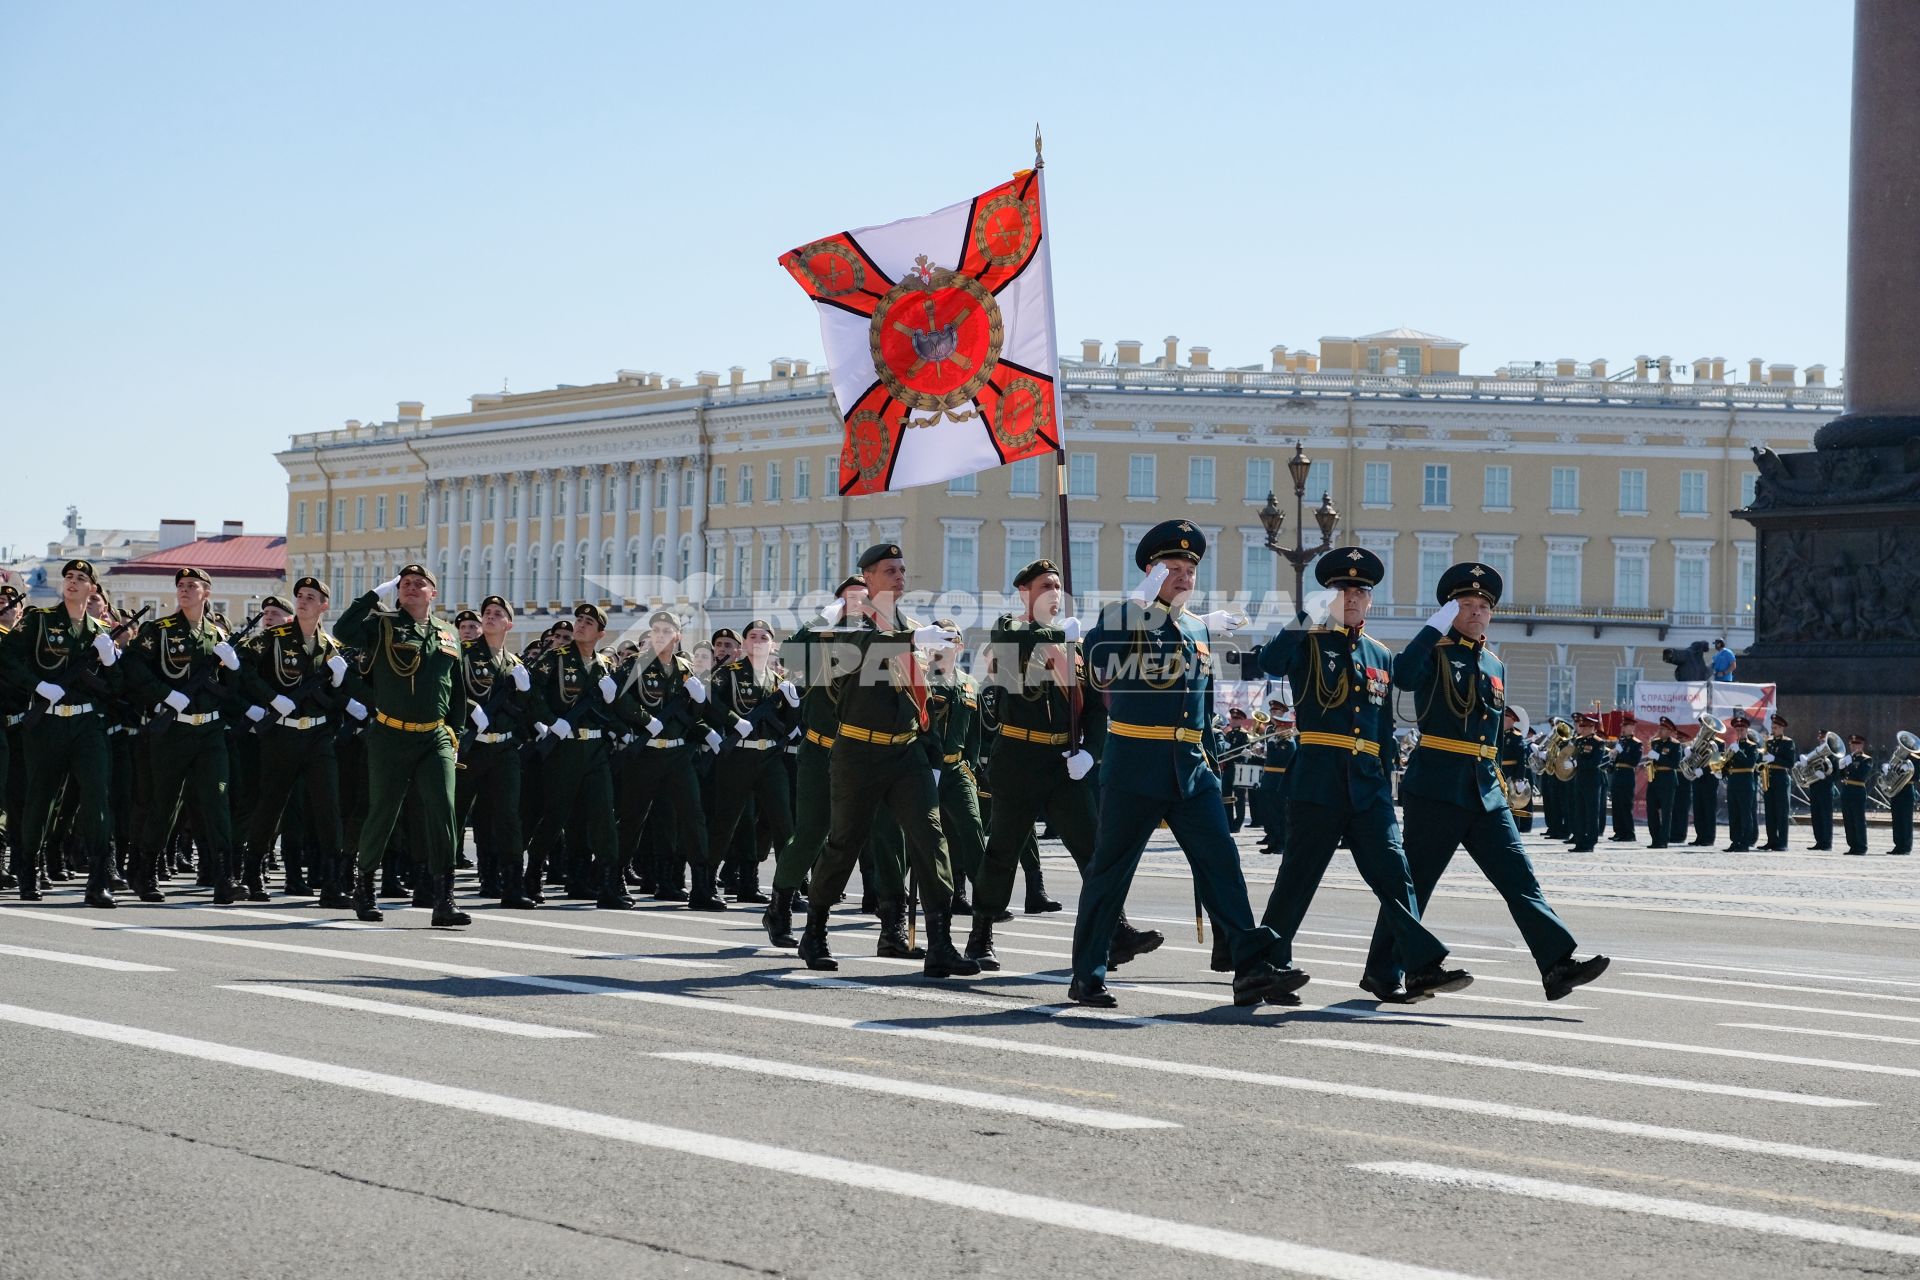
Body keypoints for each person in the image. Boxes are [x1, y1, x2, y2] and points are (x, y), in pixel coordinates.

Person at [1068, 521, 1302, 1009]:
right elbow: (1095, 662)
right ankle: (1088, 973)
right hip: (1135, 766)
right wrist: (1134, 607)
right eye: (1173, 568)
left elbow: (1197, 706)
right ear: (1151, 572)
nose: (1184, 575)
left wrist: (1210, 763)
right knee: (1110, 873)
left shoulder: (1195, 627)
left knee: (1223, 865)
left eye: (1190, 567)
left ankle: (1251, 969)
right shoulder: (1125, 618)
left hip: (1191, 768)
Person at [1363, 562, 1607, 1002]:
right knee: (1414, 883)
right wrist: (1428, 630)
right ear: (1449, 612)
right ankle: (1384, 972)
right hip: (1438, 785)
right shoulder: (1433, 650)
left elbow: (1490, 734)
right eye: (1466, 605)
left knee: (1520, 878)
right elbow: (1402, 677)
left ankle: (1556, 965)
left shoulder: (1493, 661)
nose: (1476, 613)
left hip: (1485, 789)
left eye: (1482, 606)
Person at [1252, 544, 1470, 1004]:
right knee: (1298, 879)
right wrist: (1301, 617)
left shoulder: (1380, 655)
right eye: (1341, 591)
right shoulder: (1307, 639)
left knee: (1396, 875)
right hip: (1317, 779)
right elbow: (1269, 664)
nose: (1351, 599)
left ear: (1370, 601)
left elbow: (1383, 728)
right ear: (1328, 597)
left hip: (1369, 785)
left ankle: (1412, 968)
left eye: (1360, 593)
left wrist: (1389, 783)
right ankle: (1264, 967)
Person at [794, 543, 977, 979]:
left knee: (931, 842)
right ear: (868, 579)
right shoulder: (850, 626)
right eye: (889, 570)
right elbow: (858, 649)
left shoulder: (915, 628)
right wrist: (913, 639)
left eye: (902, 569)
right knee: (845, 842)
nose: (899, 576)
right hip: (858, 750)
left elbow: (927, 698)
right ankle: (815, 931)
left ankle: (941, 945)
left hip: (906, 751)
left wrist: (931, 752)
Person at [971, 559, 1158, 972]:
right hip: (1019, 759)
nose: (1054, 592)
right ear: (1024, 591)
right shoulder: (1011, 630)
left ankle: (1116, 931)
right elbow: (1012, 642)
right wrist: (1060, 636)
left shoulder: (1076, 647)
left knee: (1094, 850)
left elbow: (1095, 706)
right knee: (1003, 850)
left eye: (1057, 585)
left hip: (1065, 765)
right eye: (1044, 585)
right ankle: (980, 935)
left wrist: (1092, 750)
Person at [333, 563, 469, 926]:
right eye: (405, 583)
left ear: (433, 593)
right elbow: (342, 630)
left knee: (444, 812)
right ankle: (365, 888)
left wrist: (457, 734)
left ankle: (444, 899)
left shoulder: (448, 633)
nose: (411, 588)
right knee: (383, 811)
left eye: (419, 583)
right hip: (391, 734)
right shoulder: (383, 625)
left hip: (435, 736)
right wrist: (375, 594)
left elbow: (457, 691)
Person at [0, 560, 121, 904]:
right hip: (47, 723)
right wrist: (37, 684)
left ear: (92, 589)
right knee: (41, 799)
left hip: (86, 725)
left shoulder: (100, 632)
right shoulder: (39, 620)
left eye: (81, 578)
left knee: (97, 798)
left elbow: (117, 688)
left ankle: (98, 880)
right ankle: (29, 871)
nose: (72, 581)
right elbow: (6, 658)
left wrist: (111, 662)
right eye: (68, 576)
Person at [124, 567, 246, 906]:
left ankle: (225, 878)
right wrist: (164, 695)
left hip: (209, 731)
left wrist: (235, 669)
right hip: (173, 730)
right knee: (164, 803)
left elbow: (231, 692)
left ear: (207, 592)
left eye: (192, 585)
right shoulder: (159, 631)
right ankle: (146, 873)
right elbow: (133, 668)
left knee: (217, 803)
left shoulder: (218, 635)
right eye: (181, 586)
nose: (185, 590)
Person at [236, 575, 356, 907]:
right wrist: (270, 698)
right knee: (271, 804)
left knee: (327, 806)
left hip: (318, 735)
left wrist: (340, 683)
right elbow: (242, 670)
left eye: (310, 597)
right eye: (300, 595)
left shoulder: (332, 648)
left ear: (324, 605)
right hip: (282, 734)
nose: (303, 601)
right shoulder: (271, 639)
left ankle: (332, 882)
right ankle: (253, 872)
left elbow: (335, 696)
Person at [763, 575, 865, 947]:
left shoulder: (875, 642)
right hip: (821, 750)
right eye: (849, 600)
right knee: (811, 832)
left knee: (872, 835)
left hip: (864, 753)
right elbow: (788, 654)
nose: (857, 605)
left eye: (863, 599)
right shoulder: (820, 640)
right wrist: (825, 619)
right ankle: (780, 905)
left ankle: (891, 919)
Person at [528, 604, 630, 909]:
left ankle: (611, 883)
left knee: (603, 815)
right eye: (580, 620)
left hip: (596, 749)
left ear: (601, 633)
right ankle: (532, 874)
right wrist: (548, 720)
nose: (581, 625)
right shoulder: (555, 658)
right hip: (565, 747)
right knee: (556, 813)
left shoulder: (604, 665)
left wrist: (618, 719)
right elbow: (531, 692)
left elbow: (610, 711)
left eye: (589, 622)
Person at [704, 619, 800, 912]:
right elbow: (708, 704)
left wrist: (794, 707)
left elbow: (789, 728)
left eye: (764, 637)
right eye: (753, 636)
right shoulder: (727, 675)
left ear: (772, 645)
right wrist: (734, 721)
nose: (758, 641)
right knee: (725, 821)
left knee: (784, 824)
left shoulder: (777, 681)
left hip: (770, 758)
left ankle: (788, 890)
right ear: (744, 644)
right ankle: (705, 886)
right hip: (738, 757)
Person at [453, 594, 537, 909]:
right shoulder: (463, 653)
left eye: (497, 613)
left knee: (506, 817)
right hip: (470, 749)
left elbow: (525, 713)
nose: (489, 616)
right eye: (487, 612)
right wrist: (471, 708)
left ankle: (511, 885)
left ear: (508, 624)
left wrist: (526, 692)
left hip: (503, 750)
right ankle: (439, 884)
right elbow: (450, 689)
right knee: (455, 814)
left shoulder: (515, 664)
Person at [1257, 702, 1296, 852]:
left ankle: (1282, 844)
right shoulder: (1277, 741)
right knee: (1270, 814)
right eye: (1277, 727)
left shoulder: (1288, 743)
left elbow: (1278, 758)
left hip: (1279, 781)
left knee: (1280, 815)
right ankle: (1272, 842)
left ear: (1285, 728)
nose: (1277, 730)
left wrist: (1270, 745)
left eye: (1279, 727)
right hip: (1269, 780)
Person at [1721, 715, 1760, 852]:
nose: (1739, 731)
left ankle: (1745, 841)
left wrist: (1738, 752)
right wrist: (1722, 770)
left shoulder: (1752, 746)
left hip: (1745, 783)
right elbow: (1727, 764)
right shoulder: (1732, 746)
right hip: (1733, 783)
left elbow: (1750, 763)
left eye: (1742, 729)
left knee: (1745, 813)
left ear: (1747, 730)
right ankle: (1735, 840)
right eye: (1737, 729)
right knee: (1734, 814)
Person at [1760, 714, 1797, 852]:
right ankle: (1771, 840)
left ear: (1782, 728)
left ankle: (1782, 842)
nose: (1773, 730)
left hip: (1781, 777)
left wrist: (1774, 758)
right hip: (1769, 777)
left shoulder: (1788, 743)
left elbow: (1790, 763)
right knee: (1770, 812)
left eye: (1775, 728)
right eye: (1772, 727)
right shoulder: (1768, 742)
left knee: (1781, 811)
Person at [1569, 713, 1605, 853]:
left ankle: (1590, 842)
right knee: (1579, 812)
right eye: (1581, 726)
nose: (1581, 728)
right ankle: (1579, 840)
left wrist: (1578, 762)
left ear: (1592, 727)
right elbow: (1571, 755)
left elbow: (1595, 762)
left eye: (1585, 726)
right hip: (1579, 779)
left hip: (1592, 780)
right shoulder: (1578, 741)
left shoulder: (1598, 742)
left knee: (1591, 812)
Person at [1645, 717, 1683, 849]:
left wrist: (1658, 757)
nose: (1660, 731)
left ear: (1669, 731)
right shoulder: (1655, 743)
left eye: (1663, 729)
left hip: (1667, 779)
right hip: (1655, 778)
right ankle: (1655, 838)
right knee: (1651, 810)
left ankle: (1663, 839)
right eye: (1659, 728)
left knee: (1666, 812)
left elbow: (1674, 763)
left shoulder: (1675, 744)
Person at [1608, 713, 1640, 842]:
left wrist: (1621, 752)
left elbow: (1634, 762)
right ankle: (1618, 831)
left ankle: (1629, 833)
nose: (1624, 728)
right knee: (1616, 804)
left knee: (1625, 805)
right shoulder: (1621, 741)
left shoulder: (1636, 744)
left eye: (1626, 726)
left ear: (1632, 727)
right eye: (1623, 725)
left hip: (1627, 775)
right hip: (1618, 774)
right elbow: (1616, 759)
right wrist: (1612, 760)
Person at [1838, 734, 1872, 855]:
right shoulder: (1847, 758)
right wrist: (1841, 767)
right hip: (1846, 790)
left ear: (1862, 745)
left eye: (1856, 744)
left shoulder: (1866, 759)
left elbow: (1861, 775)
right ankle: (1852, 845)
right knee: (1848, 820)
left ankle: (1861, 846)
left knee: (1858, 819)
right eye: (1851, 745)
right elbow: (1840, 776)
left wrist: (1850, 764)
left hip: (1857, 790)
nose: (1853, 747)